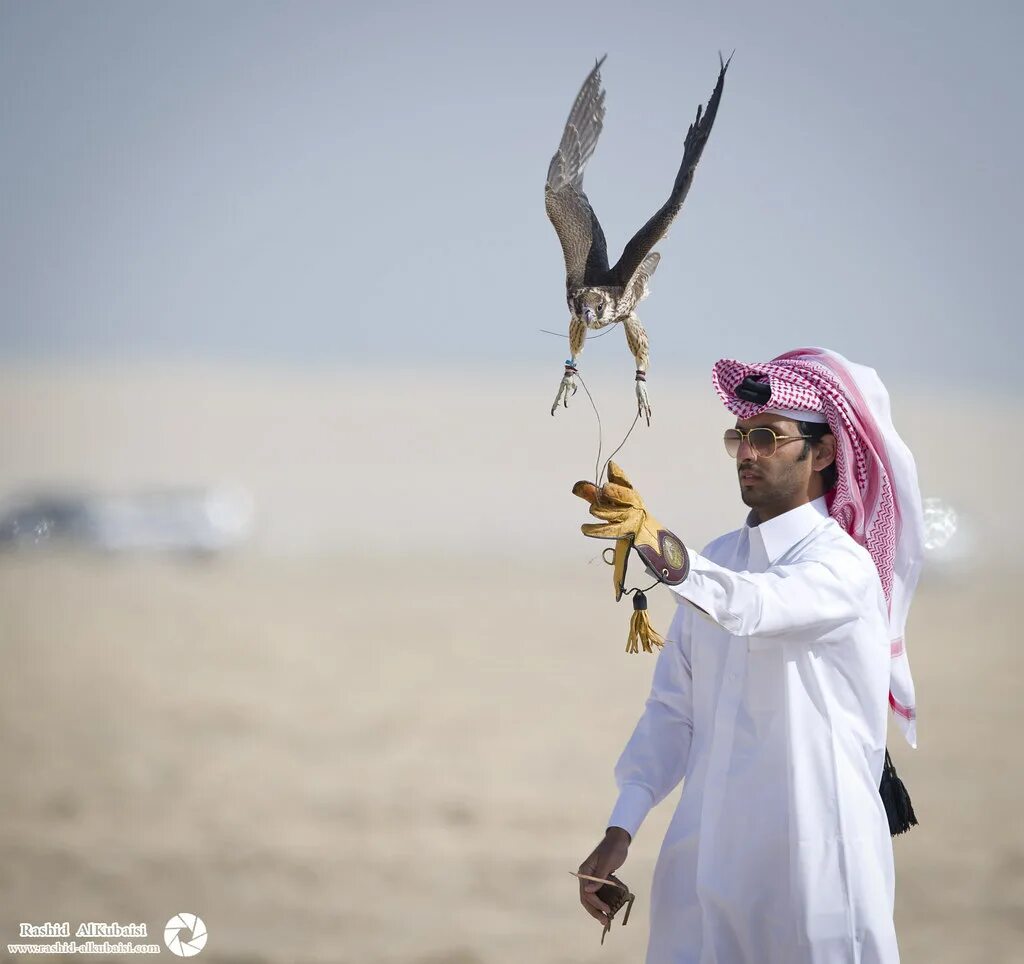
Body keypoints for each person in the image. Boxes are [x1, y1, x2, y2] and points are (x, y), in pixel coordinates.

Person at [572, 347, 924, 963]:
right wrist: (621, 827)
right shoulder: (720, 558)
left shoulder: (842, 567)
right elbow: (671, 713)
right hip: (702, 864)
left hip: (810, 862)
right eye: (739, 436)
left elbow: (753, 608)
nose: (748, 452)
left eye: (768, 436)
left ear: (823, 451)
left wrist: (656, 543)